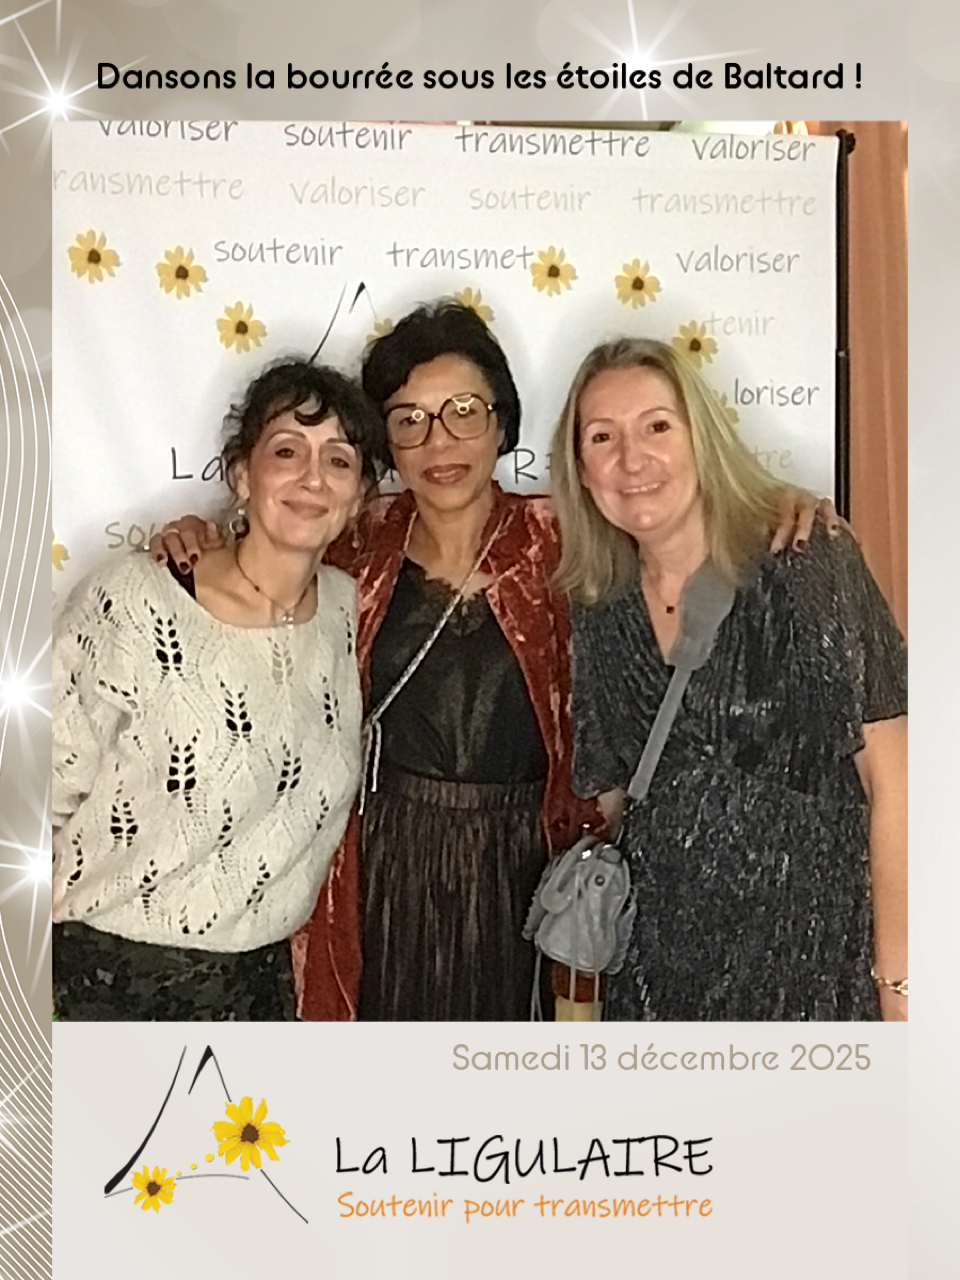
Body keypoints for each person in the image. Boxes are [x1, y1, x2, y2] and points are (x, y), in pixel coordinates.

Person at [151, 303, 835, 1022]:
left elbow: (677, 527)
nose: (438, 441)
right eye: (409, 419)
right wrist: (196, 533)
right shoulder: (353, 541)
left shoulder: (567, 538)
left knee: (511, 1077)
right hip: (378, 866)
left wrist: (773, 504)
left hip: (528, 873)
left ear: (502, 424)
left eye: (463, 412)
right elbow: (260, 552)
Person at [549, 337, 908, 1022]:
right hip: (657, 983)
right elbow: (620, 801)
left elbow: (895, 783)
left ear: (702, 440)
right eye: (602, 437)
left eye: (657, 426)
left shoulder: (804, 556)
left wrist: (899, 983)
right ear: (582, 471)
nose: (632, 459)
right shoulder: (598, 604)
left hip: (815, 970)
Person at [52, 359, 380, 1020]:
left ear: (361, 497)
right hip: (103, 981)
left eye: (339, 460)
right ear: (241, 476)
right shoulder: (135, 602)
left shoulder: (349, 611)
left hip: (259, 986)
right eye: (286, 451)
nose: (312, 477)